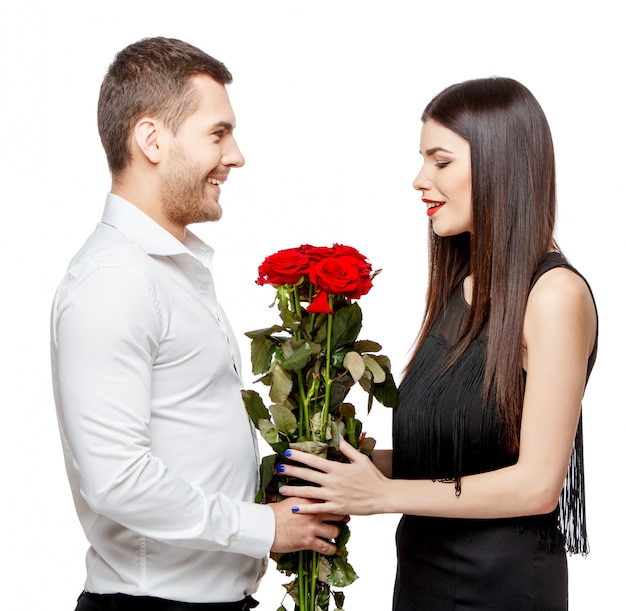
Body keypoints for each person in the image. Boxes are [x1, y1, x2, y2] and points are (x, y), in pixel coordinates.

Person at [277, 77, 598, 610]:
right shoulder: (464, 285)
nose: (420, 179)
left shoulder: (554, 294)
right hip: (425, 577)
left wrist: (382, 496)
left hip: (502, 588)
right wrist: (335, 463)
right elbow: (455, 455)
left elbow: (538, 484)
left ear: (503, 165)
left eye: (440, 161)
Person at [50, 37, 343, 611]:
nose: (236, 156)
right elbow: (118, 480)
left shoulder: (169, 271)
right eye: (218, 133)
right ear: (152, 139)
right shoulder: (115, 282)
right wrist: (265, 528)